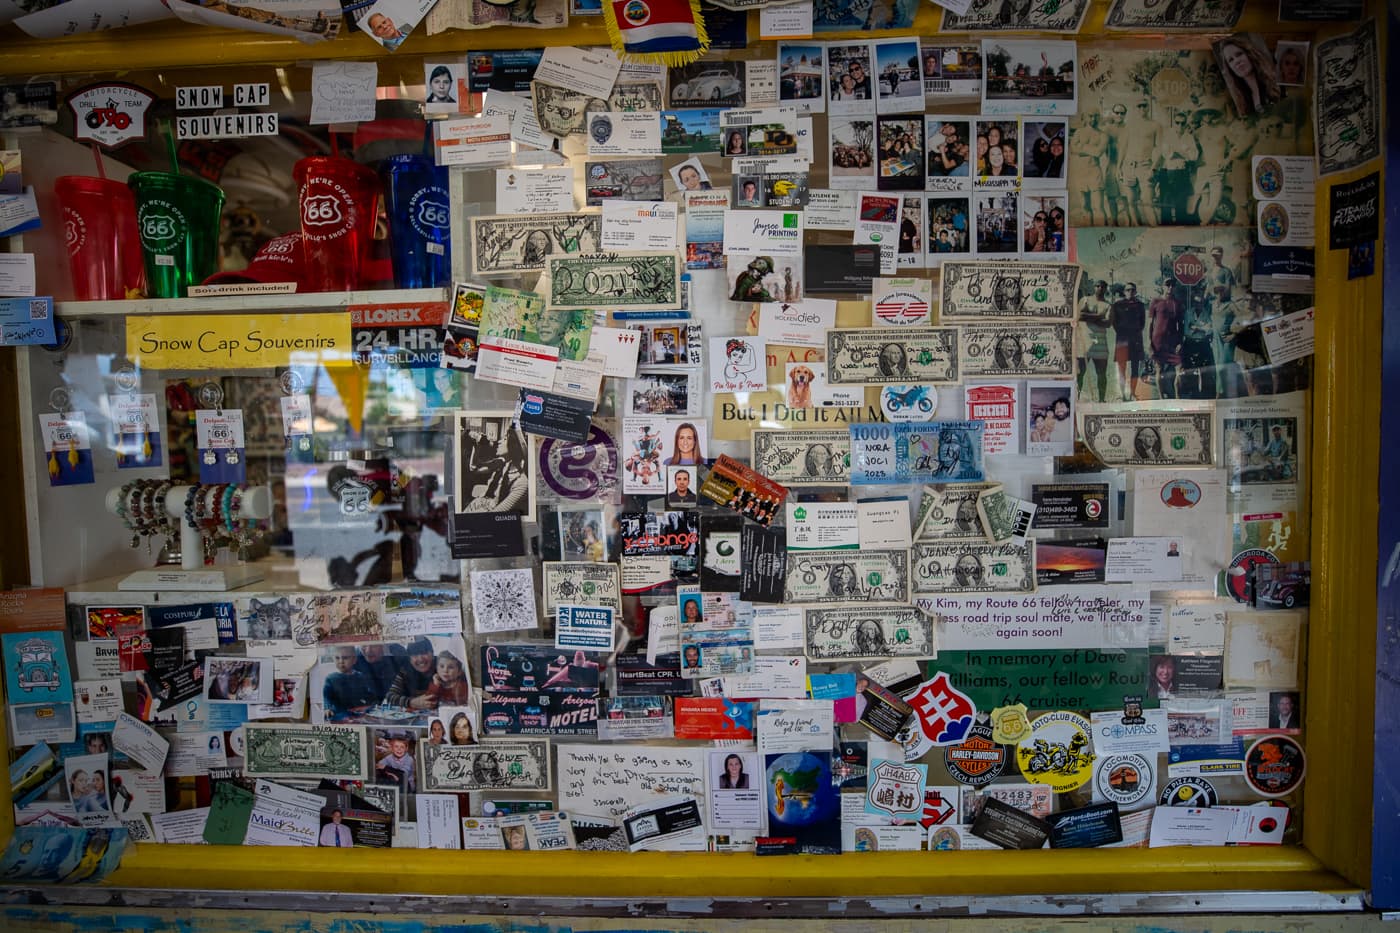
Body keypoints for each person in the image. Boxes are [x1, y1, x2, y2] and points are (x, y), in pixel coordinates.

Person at [1216, 38, 1281, 117]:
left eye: (1239, 54)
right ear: (1230, 68)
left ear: (1249, 54)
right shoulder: (1240, 100)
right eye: (1231, 60)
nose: (1236, 61)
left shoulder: (1275, 82)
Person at [1077, 279, 1112, 403]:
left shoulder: (1108, 305)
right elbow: (1079, 316)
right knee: (1079, 373)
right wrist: (1098, 316)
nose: (1100, 288)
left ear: (1106, 288)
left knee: (1101, 374)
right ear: (1094, 287)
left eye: (1103, 286)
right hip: (1084, 343)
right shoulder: (1085, 300)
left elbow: (1107, 323)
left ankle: (1102, 400)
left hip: (1100, 344)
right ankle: (1076, 398)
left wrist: (1088, 316)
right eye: (1098, 286)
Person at [1110, 282, 1147, 401]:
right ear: (1124, 292)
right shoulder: (1117, 305)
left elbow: (1142, 323)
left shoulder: (1140, 305)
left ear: (1135, 292)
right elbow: (1114, 323)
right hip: (1122, 339)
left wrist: (1134, 333)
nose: (1130, 292)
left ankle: (1132, 393)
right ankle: (1122, 394)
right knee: (1121, 368)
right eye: (1127, 290)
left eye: (1132, 290)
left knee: (1135, 368)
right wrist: (1122, 332)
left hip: (1136, 340)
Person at [1149, 279, 1185, 399]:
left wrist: (1180, 342)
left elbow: (1181, 325)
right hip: (1158, 341)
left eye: (1172, 285)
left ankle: (1177, 397)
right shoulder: (1155, 301)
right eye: (1167, 285)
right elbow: (1151, 323)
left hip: (1173, 341)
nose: (1170, 287)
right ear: (1162, 286)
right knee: (1159, 369)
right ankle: (1161, 397)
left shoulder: (1177, 303)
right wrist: (1149, 342)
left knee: (1179, 368)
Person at [323, 645, 380, 722]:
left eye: (345, 658)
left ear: (354, 660)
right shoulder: (331, 678)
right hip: (340, 712)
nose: (341, 661)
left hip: (358, 710)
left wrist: (374, 702)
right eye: (337, 658)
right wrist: (327, 708)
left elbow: (368, 693)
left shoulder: (360, 676)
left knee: (370, 715)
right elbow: (327, 696)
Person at [385, 638, 437, 711]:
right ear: (409, 658)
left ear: (432, 653)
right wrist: (410, 702)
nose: (420, 658)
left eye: (424, 652)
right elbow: (390, 697)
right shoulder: (405, 671)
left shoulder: (442, 667)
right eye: (415, 654)